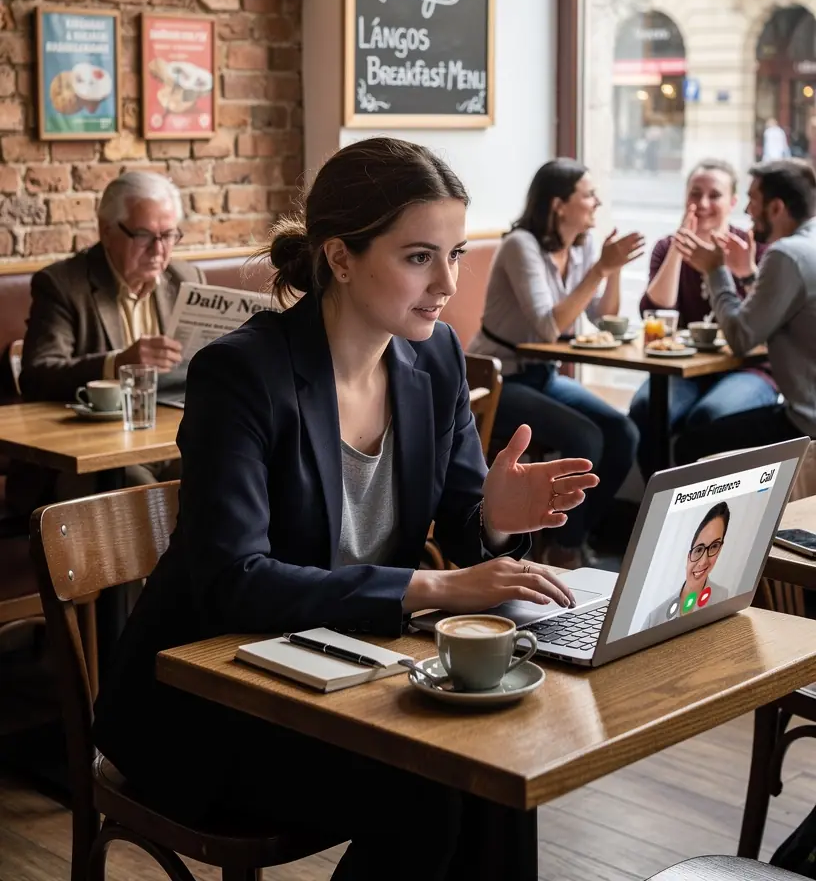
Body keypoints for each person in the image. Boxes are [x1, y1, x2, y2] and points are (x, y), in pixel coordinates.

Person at [92, 138, 599, 880]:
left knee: (498, 774)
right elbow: (237, 581)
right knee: (438, 791)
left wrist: (495, 520)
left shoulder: (436, 359)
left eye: (455, 254)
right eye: (419, 257)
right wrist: (433, 587)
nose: (447, 284)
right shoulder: (242, 373)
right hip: (207, 699)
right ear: (339, 258)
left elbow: (464, 531)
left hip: (348, 673)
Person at [469, 158, 643, 569]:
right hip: (500, 377)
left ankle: (571, 537)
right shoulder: (520, 245)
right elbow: (549, 327)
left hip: (543, 374)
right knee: (587, 440)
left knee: (623, 433)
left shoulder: (580, 246)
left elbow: (603, 318)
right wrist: (600, 268)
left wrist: (611, 271)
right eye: (588, 194)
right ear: (559, 204)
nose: (596, 202)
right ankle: (563, 549)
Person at [8, 173, 201, 511]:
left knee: (222, 476)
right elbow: (37, 375)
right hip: (90, 457)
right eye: (143, 235)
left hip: (169, 442)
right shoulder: (62, 284)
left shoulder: (186, 278)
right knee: (144, 499)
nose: (159, 249)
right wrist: (116, 364)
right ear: (106, 231)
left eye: (169, 235)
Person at [630, 159, 777, 476]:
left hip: (749, 369)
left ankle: (698, 516)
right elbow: (656, 312)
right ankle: (653, 509)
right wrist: (679, 247)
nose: (703, 203)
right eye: (695, 194)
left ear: (733, 202)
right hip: (685, 370)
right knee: (644, 409)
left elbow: (766, 322)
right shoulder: (666, 247)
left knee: (709, 416)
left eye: (715, 195)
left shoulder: (756, 249)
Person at [672, 159, 816, 463]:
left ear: (776, 208)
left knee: (690, 447)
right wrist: (749, 277)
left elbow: (740, 337)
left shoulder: (786, 253)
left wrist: (716, 270)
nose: (749, 211)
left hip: (807, 423)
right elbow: (781, 310)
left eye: (753, 199)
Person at [641, 502, 730, 631]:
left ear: (720, 548)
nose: (703, 561)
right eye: (698, 550)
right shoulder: (654, 619)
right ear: (688, 556)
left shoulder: (724, 598)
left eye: (714, 546)